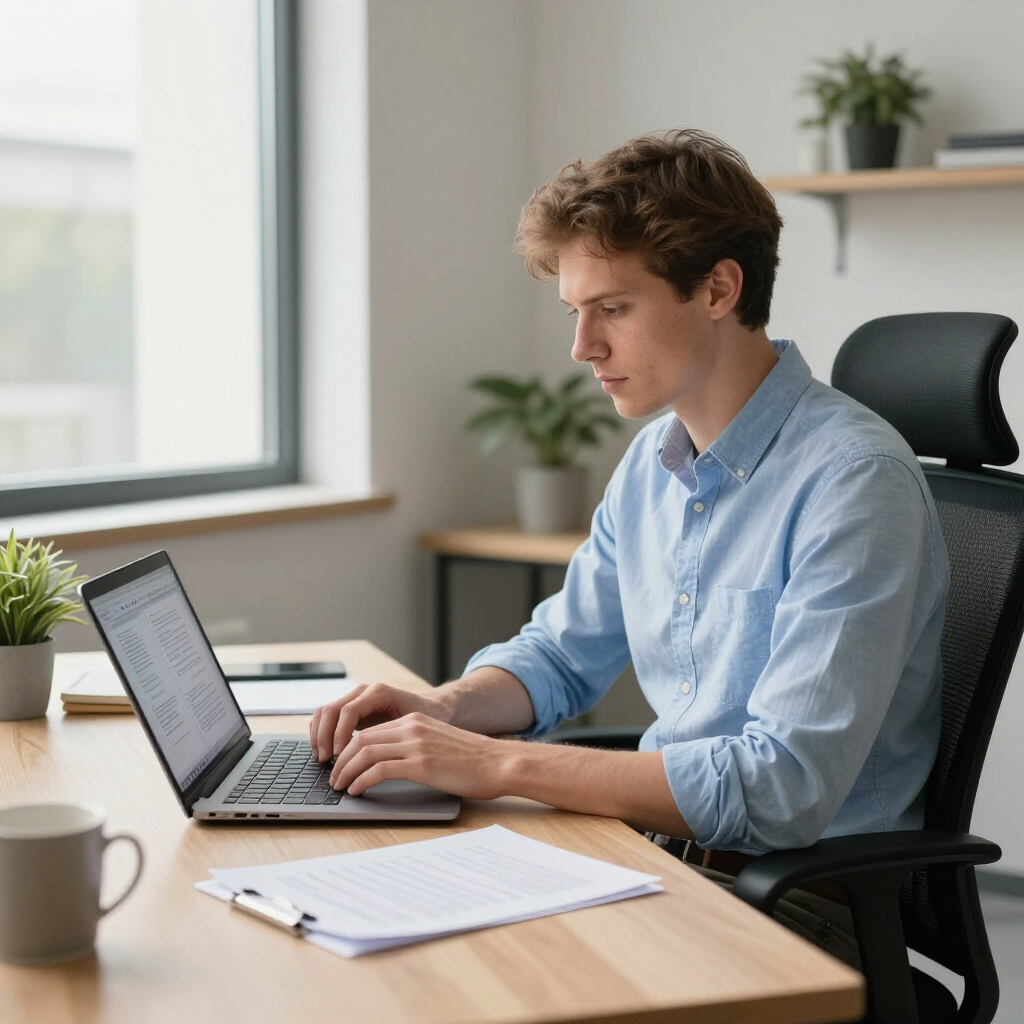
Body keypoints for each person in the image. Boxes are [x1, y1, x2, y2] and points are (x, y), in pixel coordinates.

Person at [310, 129, 949, 963]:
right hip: (653, 858)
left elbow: (779, 789)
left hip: (793, 907)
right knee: (369, 923)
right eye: (576, 313)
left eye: (612, 309)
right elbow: (560, 654)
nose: (584, 349)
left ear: (719, 289)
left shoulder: (854, 482)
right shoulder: (655, 459)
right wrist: (445, 710)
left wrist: (496, 766)